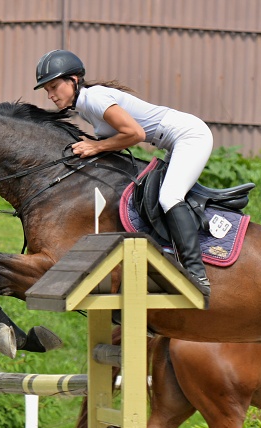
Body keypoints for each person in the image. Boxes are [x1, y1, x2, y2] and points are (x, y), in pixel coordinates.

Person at [34, 49, 214, 292]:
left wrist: (97, 146)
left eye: (54, 87)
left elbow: (135, 134)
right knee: (155, 197)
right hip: (171, 141)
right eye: (47, 90)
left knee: (170, 197)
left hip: (190, 135)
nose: (51, 96)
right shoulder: (85, 106)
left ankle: (196, 273)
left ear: (74, 80)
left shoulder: (94, 98)